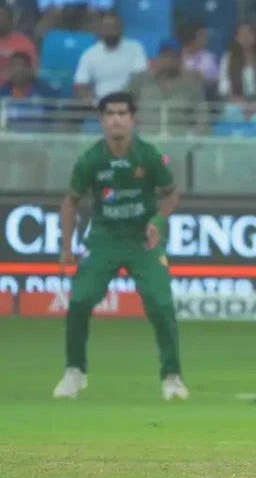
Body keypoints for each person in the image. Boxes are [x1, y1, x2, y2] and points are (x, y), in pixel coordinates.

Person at [53, 92, 189, 402]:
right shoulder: (91, 159)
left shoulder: (149, 155)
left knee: (161, 304)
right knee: (79, 300)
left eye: (122, 113)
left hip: (143, 240)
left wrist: (157, 220)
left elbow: (171, 194)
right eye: (110, 114)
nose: (116, 119)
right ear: (102, 120)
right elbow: (70, 201)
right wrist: (66, 246)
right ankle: (75, 371)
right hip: (105, 238)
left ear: (133, 118)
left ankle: (172, 377)